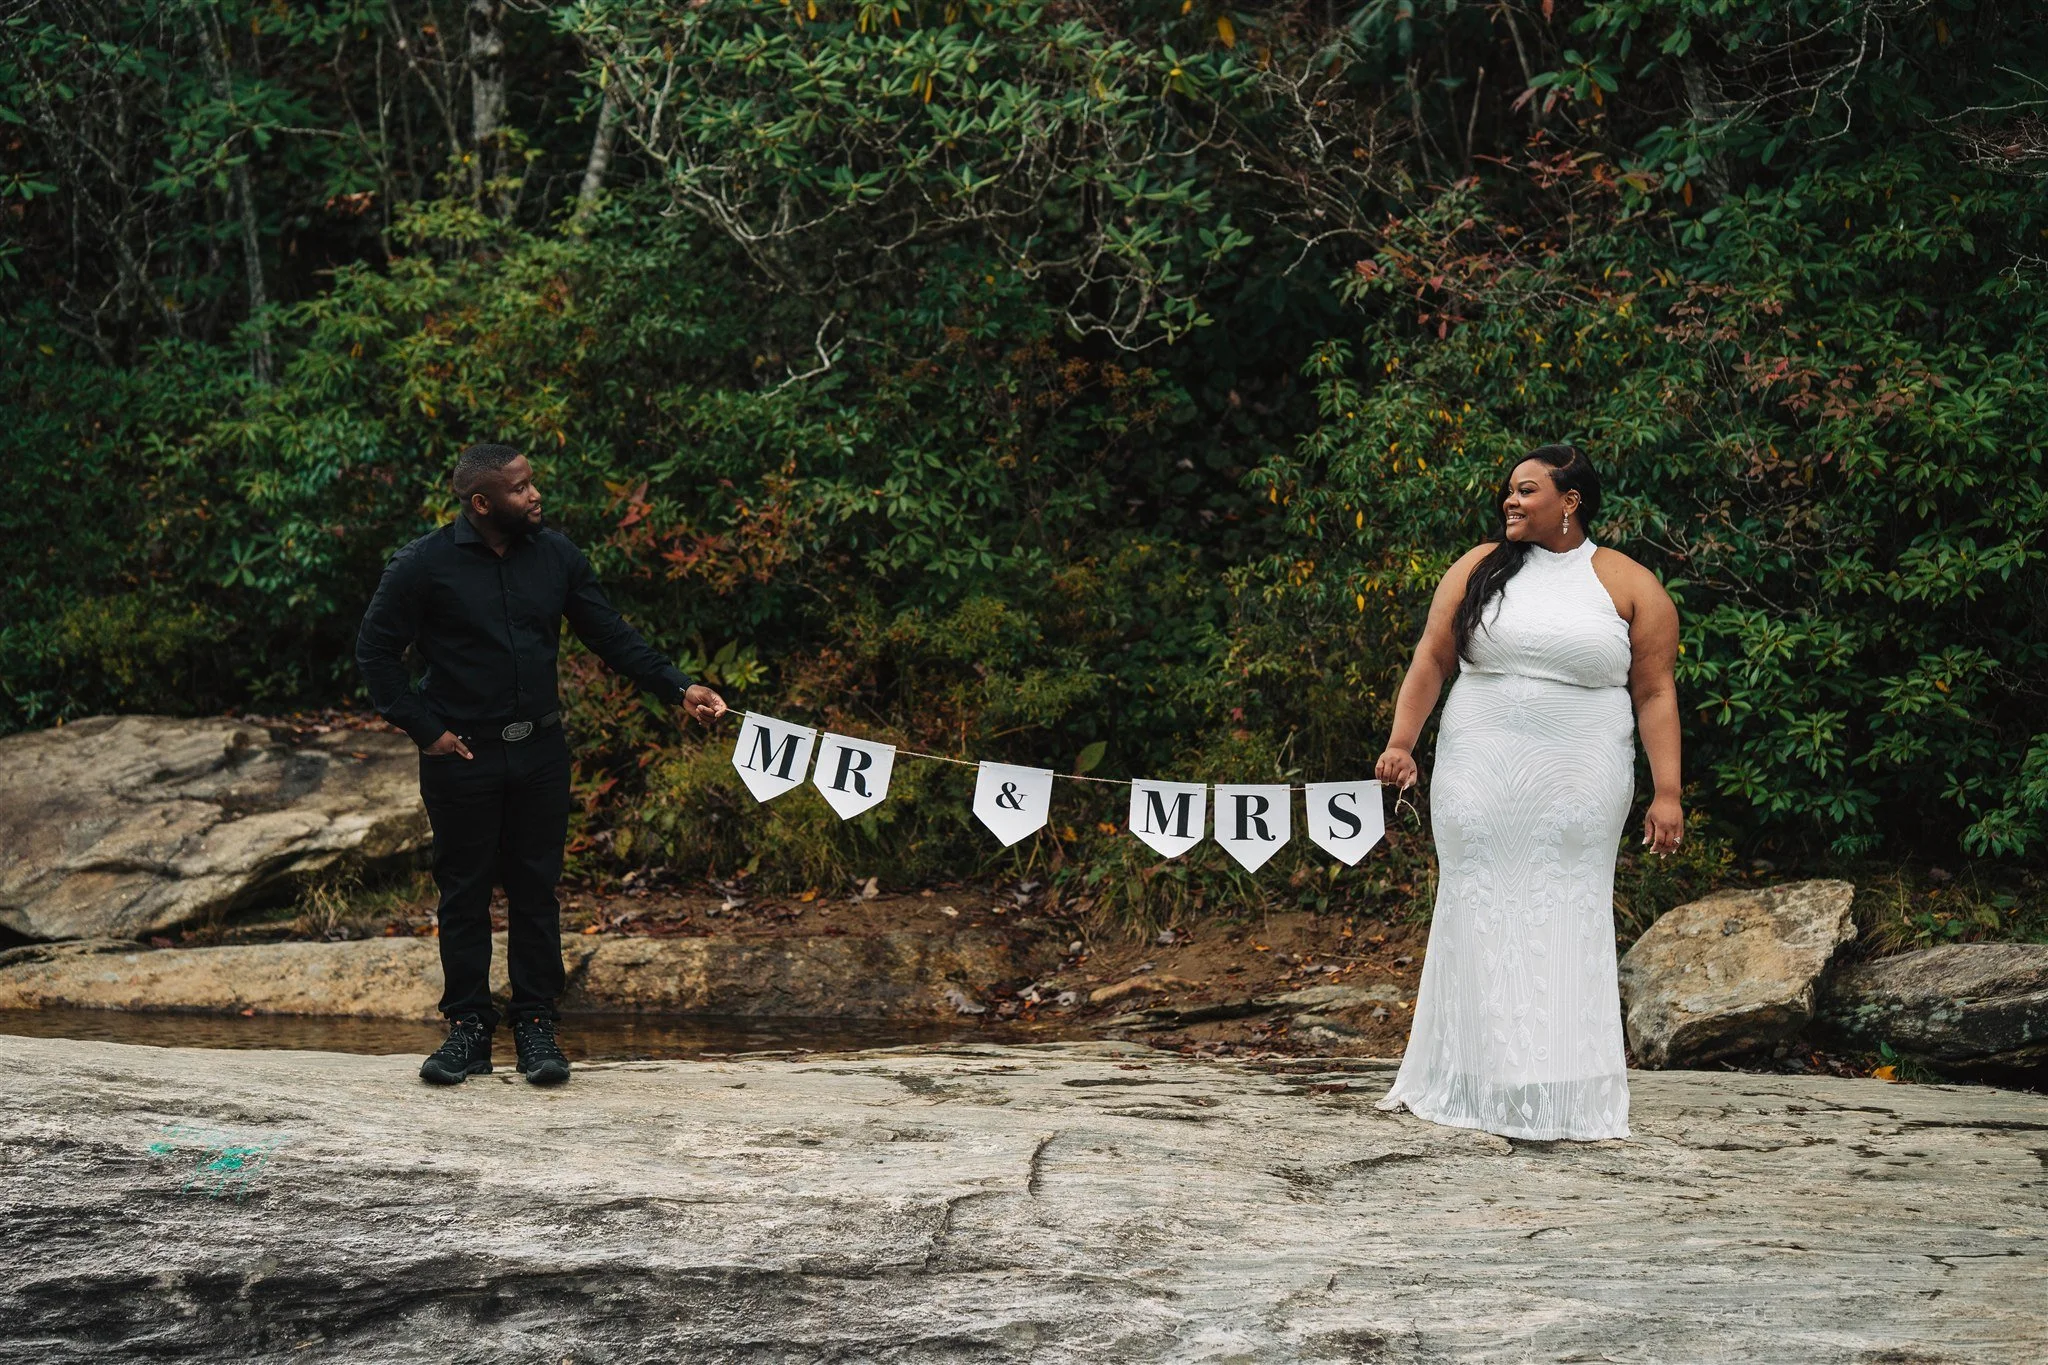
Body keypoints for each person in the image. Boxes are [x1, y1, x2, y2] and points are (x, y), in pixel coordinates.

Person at [356, 444, 728, 1087]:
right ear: (481, 503)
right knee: (464, 890)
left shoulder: (557, 557)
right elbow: (375, 652)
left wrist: (679, 687)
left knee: (535, 890)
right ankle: (468, 1030)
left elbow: (610, 635)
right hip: (462, 755)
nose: (534, 496)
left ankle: (535, 1024)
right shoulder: (422, 565)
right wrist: (426, 730)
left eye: (531, 485)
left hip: (539, 754)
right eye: (520, 488)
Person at [1372, 444, 1682, 1141]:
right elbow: (1432, 655)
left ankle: (1564, 1085)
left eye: (1527, 490)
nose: (1511, 501)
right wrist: (1401, 742)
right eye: (1509, 491)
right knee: (1478, 905)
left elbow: (1656, 692)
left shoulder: (1630, 584)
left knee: (1563, 910)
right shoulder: (1479, 567)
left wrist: (1668, 792)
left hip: (1581, 775)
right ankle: (1473, 1074)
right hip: (1478, 767)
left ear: (1569, 501)